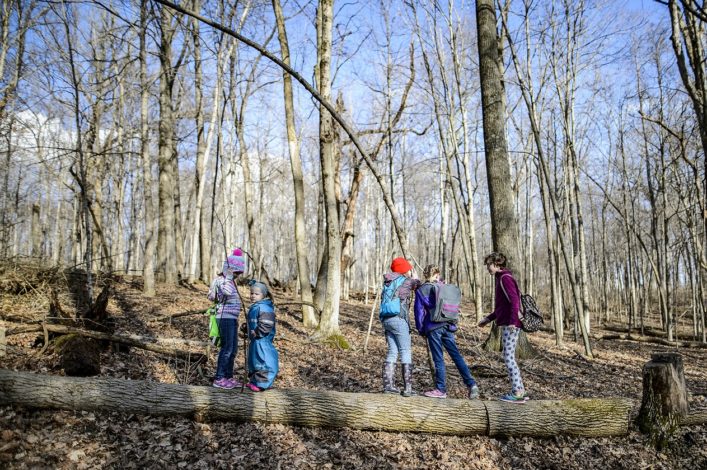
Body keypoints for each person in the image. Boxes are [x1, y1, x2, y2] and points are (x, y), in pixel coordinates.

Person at [414, 264, 480, 399]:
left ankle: (441, 389)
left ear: (425, 275)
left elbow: (419, 312)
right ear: (437, 275)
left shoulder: (422, 290)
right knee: (456, 356)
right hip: (448, 325)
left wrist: (421, 329)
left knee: (438, 358)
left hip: (433, 327)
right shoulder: (444, 287)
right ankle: (472, 384)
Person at [478, 252, 528, 403]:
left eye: (489, 265)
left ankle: (518, 392)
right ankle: (520, 390)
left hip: (511, 324)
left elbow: (514, 301)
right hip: (508, 322)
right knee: (508, 356)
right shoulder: (501, 278)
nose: (487, 268)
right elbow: (502, 307)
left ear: (496, 264)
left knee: (508, 357)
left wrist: (513, 321)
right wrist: (488, 319)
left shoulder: (505, 278)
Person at [380, 257, 420, 397]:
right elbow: (418, 284)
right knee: (405, 351)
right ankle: (408, 388)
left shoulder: (388, 282)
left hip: (386, 320)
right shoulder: (406, 281)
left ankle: (388, 386)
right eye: (408, 268)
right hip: (399, 319)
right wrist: (415, 276)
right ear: (404, 269)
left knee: (392, 351)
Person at [208, 248, 246, 389]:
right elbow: (225, 292)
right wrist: (228, 276)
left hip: (231, 318)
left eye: (238, 273)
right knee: (227, 348)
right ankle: (219, 378)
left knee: (233, 349)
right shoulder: (223, 281)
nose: (237, 275)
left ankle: (228, 377)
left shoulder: (229, 280)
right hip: (224, 317)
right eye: (236, 272)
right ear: (229, 269)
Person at [242, 280, 279, 392]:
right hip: (255, 341)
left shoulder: (264, 307)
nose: (253, 296)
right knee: (254, 362)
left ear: (264, 295)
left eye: (256, 294)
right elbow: (254, 322)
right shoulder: (256, 307)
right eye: (251, 293)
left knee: (264, 361)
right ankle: (254, 381)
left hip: (262, 341)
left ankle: (262, 384)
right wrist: (246, 328)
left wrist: (257, 332)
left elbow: (266, 324)